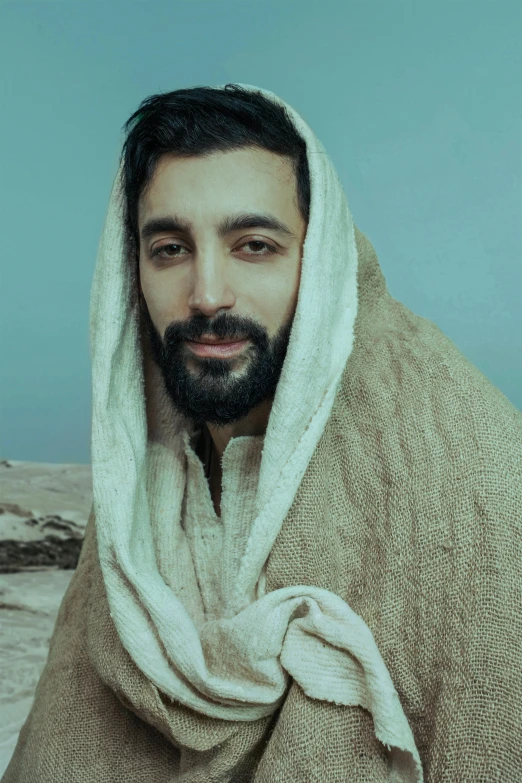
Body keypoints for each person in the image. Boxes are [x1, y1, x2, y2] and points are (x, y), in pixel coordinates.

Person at [3, 83, 521, 783]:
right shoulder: (145, 490)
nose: (208, 293)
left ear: (320, 259)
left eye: (254, 245)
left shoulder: (475, 479)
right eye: (169, 248)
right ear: (130, 273)